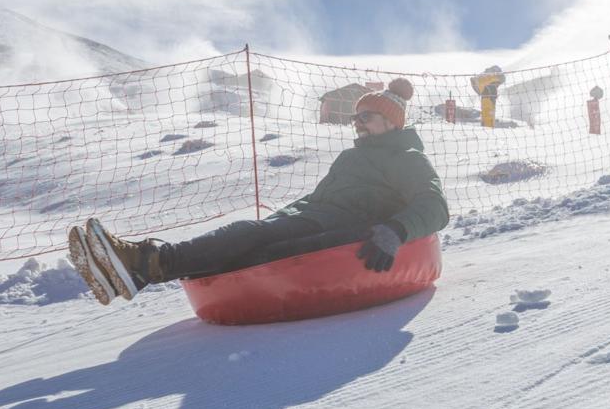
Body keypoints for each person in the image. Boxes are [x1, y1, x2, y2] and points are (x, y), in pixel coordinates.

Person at [68, 77, 449, 305]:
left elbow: (435, 205)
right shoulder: (353, 158)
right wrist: (280, 217)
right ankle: (131, 274)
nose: (357, 124)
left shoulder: (407, 157)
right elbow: (316, 201)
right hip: (316, 218)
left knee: (251, 238)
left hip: (349, 228)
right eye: (356, 118)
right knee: (253, 238)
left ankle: (146, 262)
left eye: (365, 117)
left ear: (390, 121)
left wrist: (395, 231)